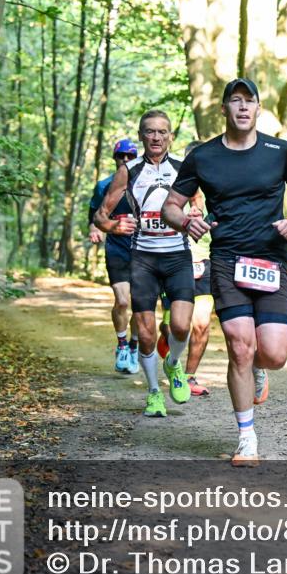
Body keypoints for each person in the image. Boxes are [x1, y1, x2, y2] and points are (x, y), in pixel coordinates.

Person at [163, 78, 287, 466]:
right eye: (235, 101)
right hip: (227, 261)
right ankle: (246, 437)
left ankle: (260, 371)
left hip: (270, 261)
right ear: (224, 109)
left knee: (273, 353)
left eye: (249, 101)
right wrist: (186, 223)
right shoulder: (204, 156)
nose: (243, 108)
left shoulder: (279, 151)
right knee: (238, 344)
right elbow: (171, 206)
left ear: (258, 109)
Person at [94, 110, 194, 418]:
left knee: (180, 325)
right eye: (150, 132)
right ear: (141, 136)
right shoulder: (129, 170)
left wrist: (198, 215)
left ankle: (174, 363)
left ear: (170, 136)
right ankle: (153, 393)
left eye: (162, 132)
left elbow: (199, 202)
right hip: (144, 258)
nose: (156, 137)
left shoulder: (184, 167)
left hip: (178, 255)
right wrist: (113, 227)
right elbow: (101, 216)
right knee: (148, 333)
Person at [157, 141, 213, 397]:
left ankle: (188, 376)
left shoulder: (219, 190)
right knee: (174, 328)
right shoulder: (174, 191)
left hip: (205, 264)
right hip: (174, 261)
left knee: (201, 324)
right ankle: (169, 350)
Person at [88, 138, 140, 374]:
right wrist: (94, 229)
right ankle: (121, 345)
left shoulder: (145, 184)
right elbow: (94, 214)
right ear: (115, 158)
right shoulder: (104, 185)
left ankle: (134, 345)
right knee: (122, 301)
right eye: (122, 156)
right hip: (117, 249)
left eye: (130, 157)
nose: (126, 161)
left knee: (141, 306)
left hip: (144, 250)